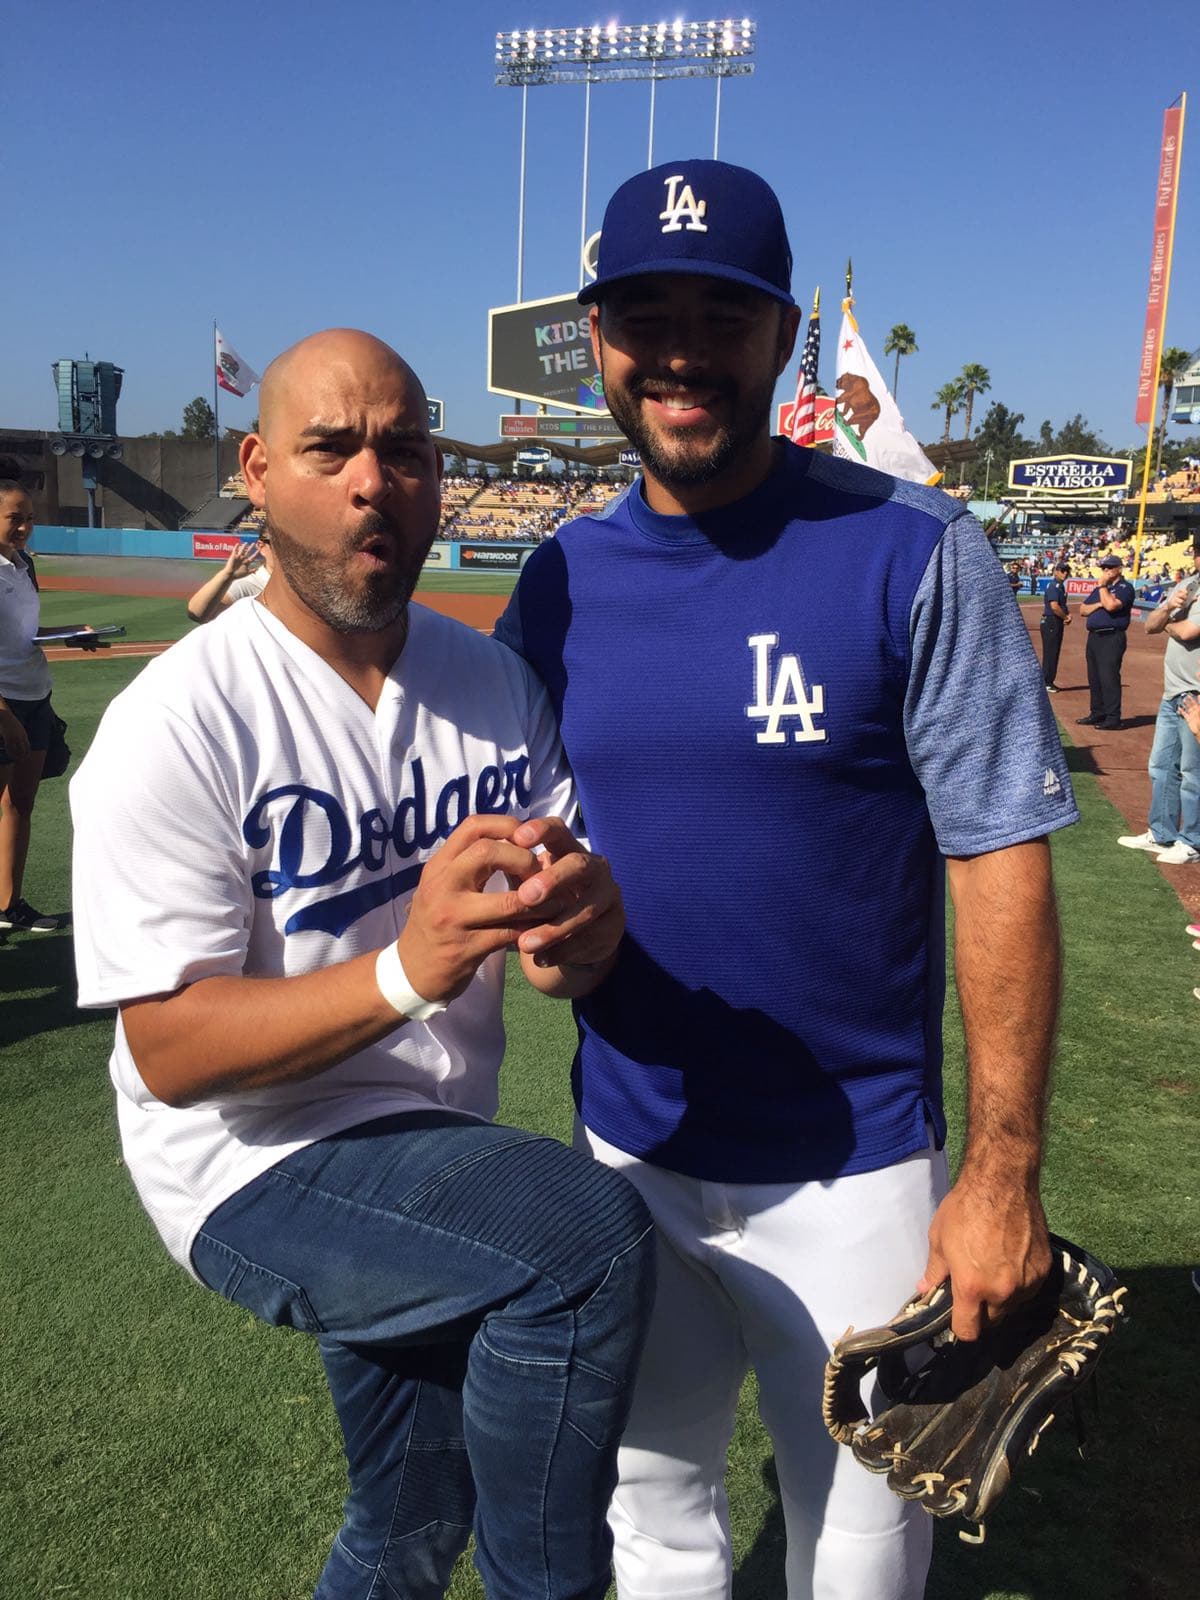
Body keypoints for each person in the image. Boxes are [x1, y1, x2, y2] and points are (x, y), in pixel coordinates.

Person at [496, 158, 1078, 1600]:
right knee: (656, 1516)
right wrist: (538, 924)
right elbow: (520, 837)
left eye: (723, 312)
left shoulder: (911, 551)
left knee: (867, 1550)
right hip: (626, 1148)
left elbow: (999, 858)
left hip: (859, 1172)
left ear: (780, 337)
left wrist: (1002, 1173)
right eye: (646, 314)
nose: (682, 351)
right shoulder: (559, 580)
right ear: (600, 340)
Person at [69, 330, 656, 1600]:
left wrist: (579, 931)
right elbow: (168, 1053)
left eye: (404, 448)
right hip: (253, 1158)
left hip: (428, 1138)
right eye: (333, 447)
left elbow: (559, 964)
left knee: (405, 1521)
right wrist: (409, 966)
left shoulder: (497, 686)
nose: (371, 480)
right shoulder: (179, 720)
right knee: (580, 1239)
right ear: (259, 469)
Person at [1117, 537, 1200, 864]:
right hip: (1173, 692)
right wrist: (1166, 609)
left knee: (1193, 772)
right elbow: (1150, 625)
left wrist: (1167, 620)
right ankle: (1162, 834)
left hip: (1195, 694)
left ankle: (1192, 841)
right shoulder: (1188, 585)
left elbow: (1188, 632)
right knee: (1162, 766)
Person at [0, 480, 59, 933]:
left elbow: (21, 632)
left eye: (29, 518)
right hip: (4, 702)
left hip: (35, 693)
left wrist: (71, 635)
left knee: (21, 803)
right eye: (14, 517)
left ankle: (8, 905)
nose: (24, 527)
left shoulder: (23, 565)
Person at [1076, 554, 1134, 730]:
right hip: (1094, 637)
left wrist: (1102, 588)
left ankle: (1113, 717)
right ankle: (1097, 712)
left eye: (1110, 567)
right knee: (1094, 677)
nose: (1106, 571)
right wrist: (1099, 604)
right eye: (1104, 568)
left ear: (1119, 569)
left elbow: (1111, 606)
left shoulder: (1125, 587)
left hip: (1112, 636)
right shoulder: (1101, 590)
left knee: (1109, 677)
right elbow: (1083, 610)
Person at [185, 533, 272, 622]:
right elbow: (198, 614)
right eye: (280, 542)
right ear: (262, 546)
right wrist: (227, 574)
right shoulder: (248, 585)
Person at [1040, 560, 1071, 690]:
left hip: (1053, 621)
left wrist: (1066, 615)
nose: (1065, 573)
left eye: (1067, 571)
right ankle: (1046, 682)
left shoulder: (1059, 586)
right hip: (1052, 621)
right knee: (1051, 653)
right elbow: (1054, 606)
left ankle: (1047, 681)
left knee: (1052, 652)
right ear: (1056, 571)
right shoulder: (1055, 586)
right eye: (1062, 570)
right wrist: (1065, 617)